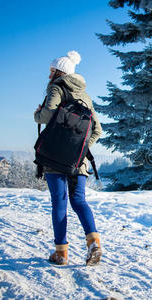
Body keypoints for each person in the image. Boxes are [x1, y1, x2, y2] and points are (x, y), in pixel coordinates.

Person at [34, 50, 103, 266]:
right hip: (78, 161)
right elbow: (97, 130)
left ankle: (61, 253)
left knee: (60, 203)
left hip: (55, 158)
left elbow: (46, 115)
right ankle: (94, 244)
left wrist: (37, 113)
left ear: (59, 72)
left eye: (51, 71)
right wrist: (79, 150)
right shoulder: (86, 96)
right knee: (79, 201)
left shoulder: (56, 87)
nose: (49, 76)